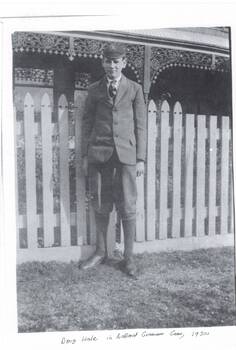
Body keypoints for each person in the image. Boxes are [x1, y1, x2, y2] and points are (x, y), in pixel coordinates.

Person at [80, 42, 147, 277]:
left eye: (116, 61)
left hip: (126, 155)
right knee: (100, 202)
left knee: (128, 205)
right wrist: (85, 156)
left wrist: (140, 159)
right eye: (108, 61)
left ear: (124, 63)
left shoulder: (135, 89)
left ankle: (128, 258)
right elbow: (87, 123)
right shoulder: (94, 89)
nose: (112, 66)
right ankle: (100, 252)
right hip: (100, 154)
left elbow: (141, 126)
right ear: (103, 62)